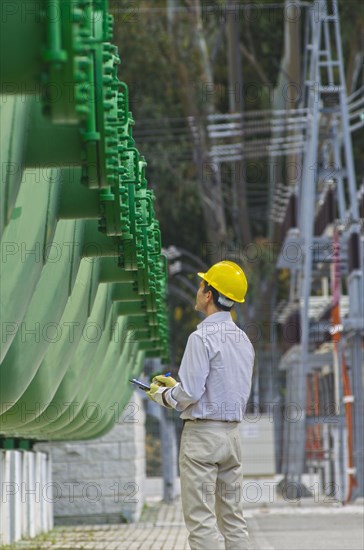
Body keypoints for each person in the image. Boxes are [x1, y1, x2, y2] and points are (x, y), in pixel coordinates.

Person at [147, 260, 255, 550]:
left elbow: (192, 393)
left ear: (209, 294)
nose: (198, 289)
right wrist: (179, 388)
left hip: (202, 438)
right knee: (233, 520)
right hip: (231, 437)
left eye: (201, 285)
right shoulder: (244, 341)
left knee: (200, 519)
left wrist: (164, 395)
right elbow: (223, 387)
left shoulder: (201, 337)